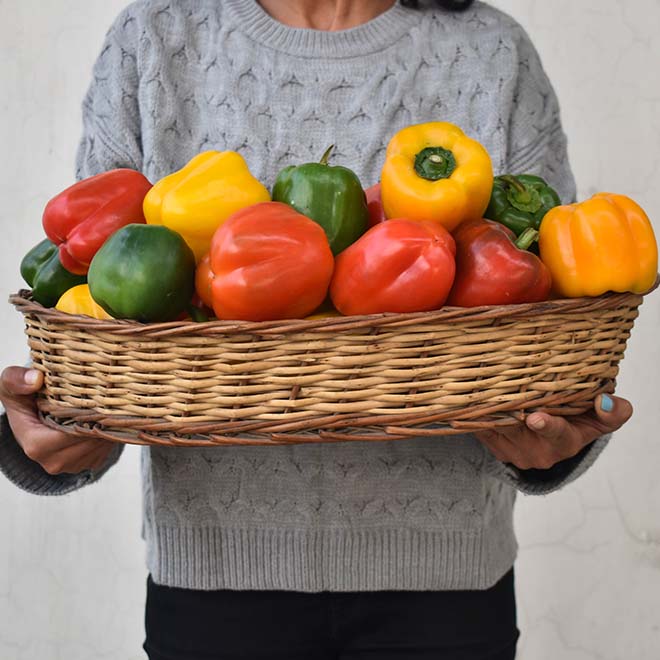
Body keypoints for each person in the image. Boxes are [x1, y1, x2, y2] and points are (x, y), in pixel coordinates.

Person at [0, 1, 634, 658]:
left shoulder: (491, 51)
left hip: (448, 592)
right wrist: (57, 434)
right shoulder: (156, 39)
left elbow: (552, 313)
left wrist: (554, 443)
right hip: (215, 588)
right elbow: (94, 306)